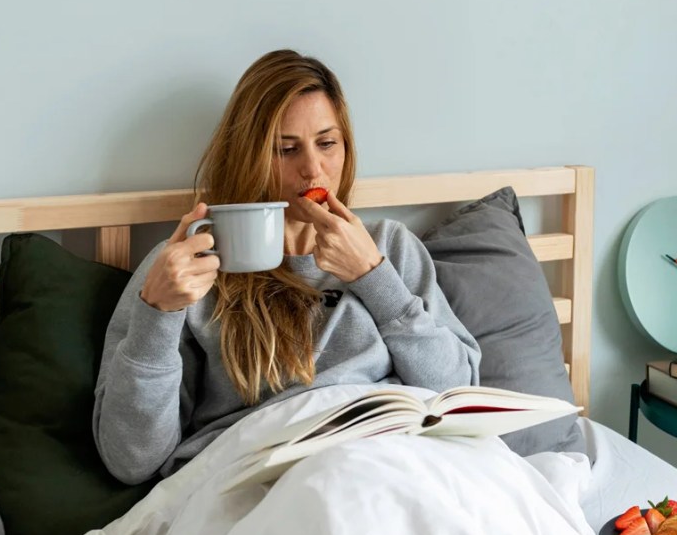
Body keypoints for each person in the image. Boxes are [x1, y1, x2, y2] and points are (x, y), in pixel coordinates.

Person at [93, 49, 480, 484]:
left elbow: (458, 394)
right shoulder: (184, 268)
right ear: (249, 156)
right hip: (268, 478)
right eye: (286, 149)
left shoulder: (388, 247)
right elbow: (132, 461)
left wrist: (375, 279)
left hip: (399, 463)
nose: (313, 169)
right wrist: (156, 314)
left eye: (327, 143)